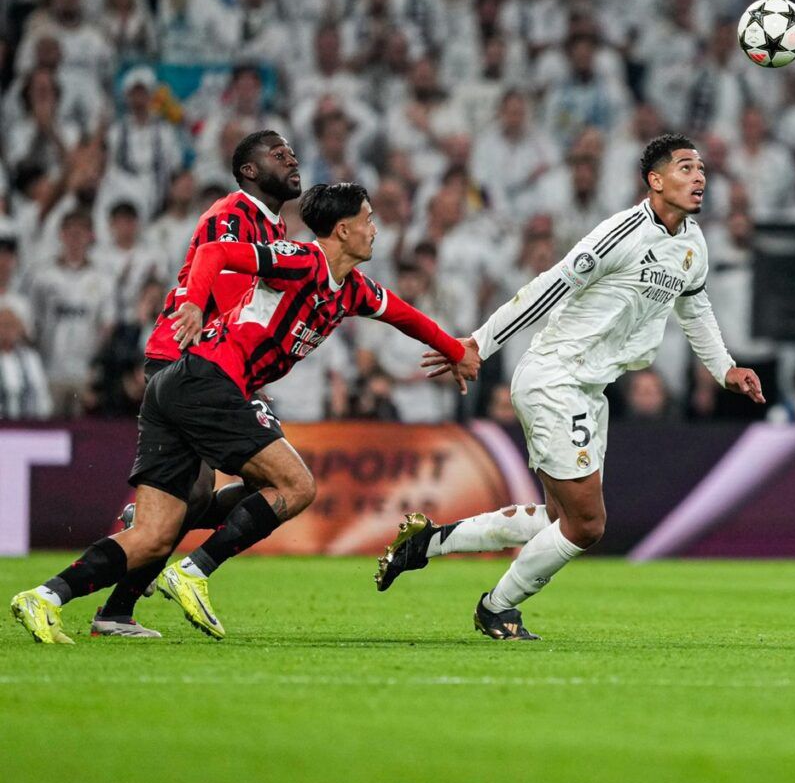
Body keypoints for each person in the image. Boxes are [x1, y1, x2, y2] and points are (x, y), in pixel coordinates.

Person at [11, 182, 479, 645]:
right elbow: (215, 252)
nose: (375, 229)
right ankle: (193, 572)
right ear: (341, 230)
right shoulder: (299, 260)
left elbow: (404, 315)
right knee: (296, 486)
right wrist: (194, 302)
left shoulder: (352, 289)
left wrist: (455, 349)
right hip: (208, 381)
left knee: (155, 535)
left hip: (183, 387)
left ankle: (45, 597)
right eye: (368, 219)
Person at [375, 134, 765, 640]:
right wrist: (479, 344)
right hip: (554, 377)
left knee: (558, 519)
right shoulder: (619, 233)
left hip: (589, 388)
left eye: (702, 169)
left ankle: (425, 544)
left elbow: (695, 306)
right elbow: (550, 284)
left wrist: (724, 368)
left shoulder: (693, 242)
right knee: (587, 526)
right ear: (656, 180)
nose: (699, 177)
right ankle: (497, 607)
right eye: (686, 168)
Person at [89, 129, 301, 637]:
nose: (291, 158)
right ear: (249, 171)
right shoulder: (231, 215)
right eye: (278, 154)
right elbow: (225, 292)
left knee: (203, 498)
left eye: (291, 151)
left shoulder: (272, 227)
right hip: (191, 359)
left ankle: (116, 611)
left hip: (216, 365)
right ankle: (131, 569)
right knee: (274, 482)